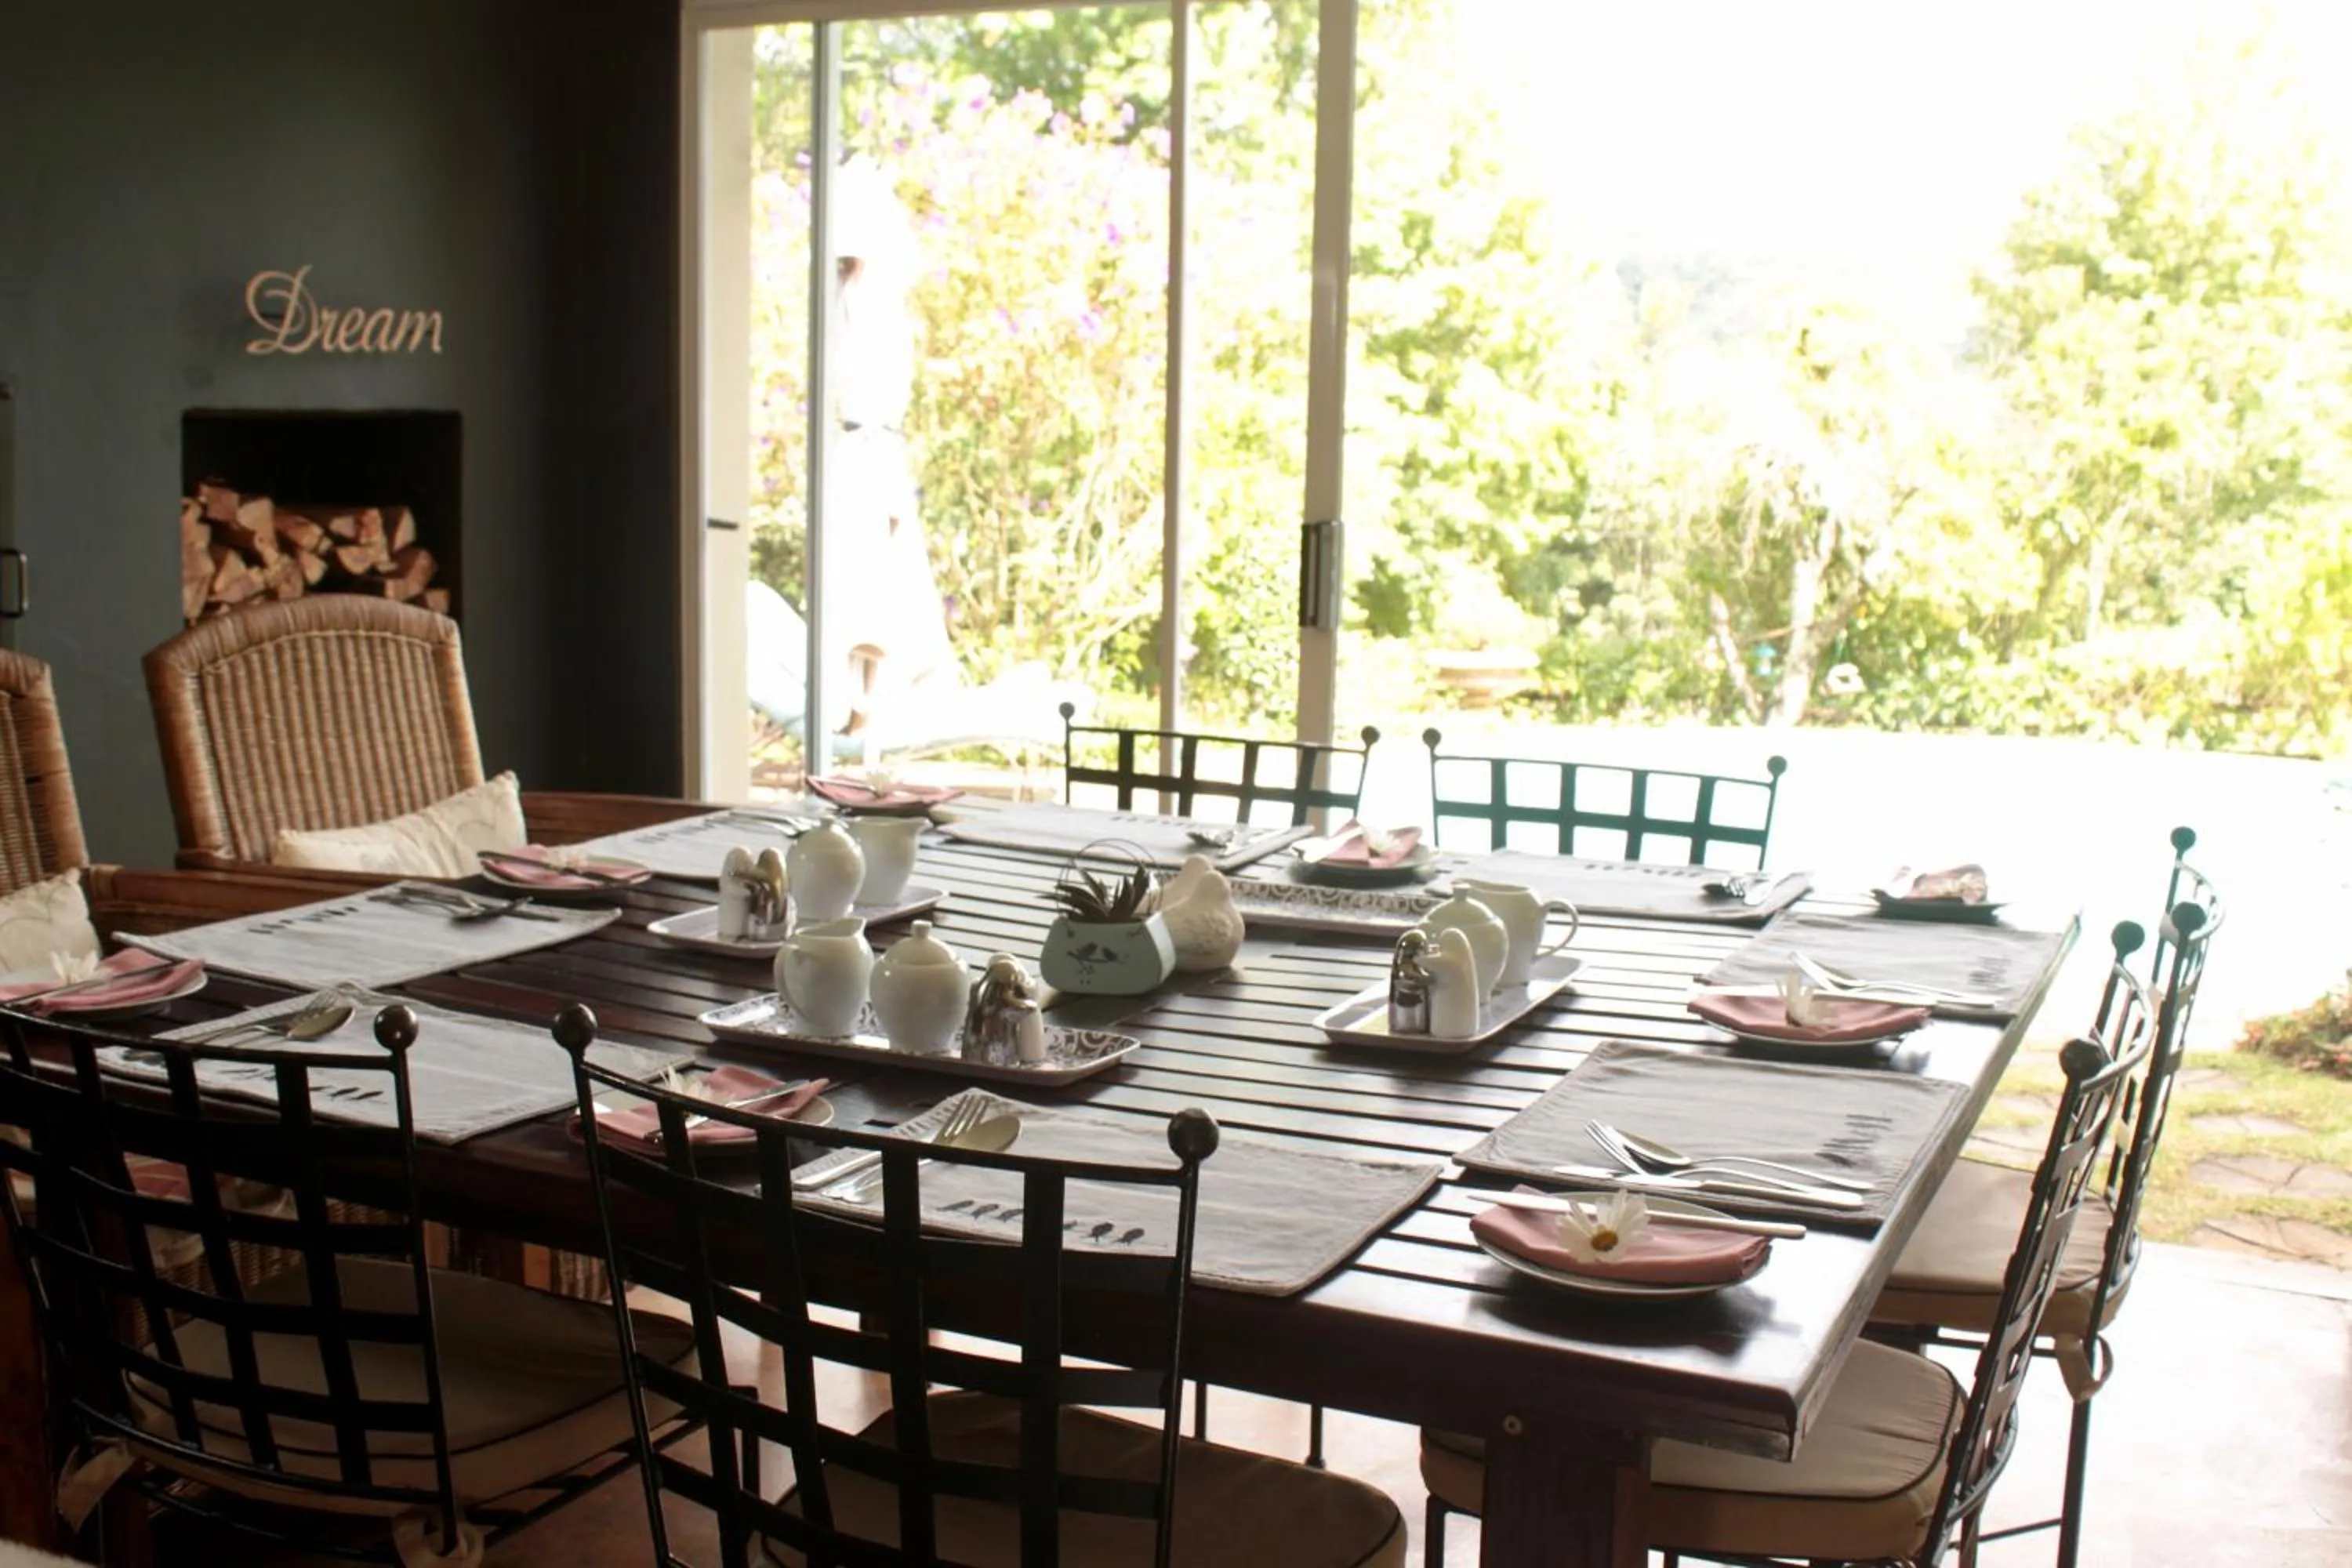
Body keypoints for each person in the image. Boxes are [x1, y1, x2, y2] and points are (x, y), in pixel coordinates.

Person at [821, 157, 955, 735]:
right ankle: (857, 701)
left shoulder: (874, 304)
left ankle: (865, 702)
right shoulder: (846, 300)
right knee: (861, 581)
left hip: (873, 451)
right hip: (860, 450)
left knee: (876, 581)